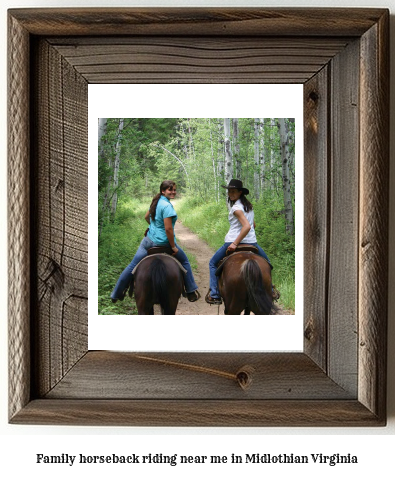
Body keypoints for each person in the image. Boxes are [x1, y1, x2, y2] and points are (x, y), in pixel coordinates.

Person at [111, 180, 200, 303]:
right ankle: (190, 290)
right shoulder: (168, 206)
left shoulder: (156, 202)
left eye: (174, 189)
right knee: (184, 261)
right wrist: (173, 247)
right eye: (170, 190)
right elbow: (168, 229)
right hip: (164, 243)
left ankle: (116, 293)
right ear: (163, 191)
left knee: (132, 265)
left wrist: (153, 227)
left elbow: (146, 217)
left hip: (149, 241)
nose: (173, 192)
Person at [205, 179, 278, 305]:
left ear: (240, 192)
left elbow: (247, 226)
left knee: (212, 263)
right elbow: (253, 224)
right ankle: (270, 290)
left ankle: (215, 294)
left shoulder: (236, 208)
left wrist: (234, 243)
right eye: (229, 191)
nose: (230, 194)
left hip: (232, 241)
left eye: (233, 191)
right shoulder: (248, 206)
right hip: (252, 243)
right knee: (267, 263)